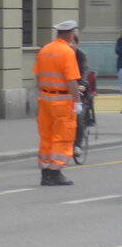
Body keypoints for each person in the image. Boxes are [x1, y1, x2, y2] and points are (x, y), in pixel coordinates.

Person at [33, 20, 81, 186]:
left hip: (45, 99)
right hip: (62, 101)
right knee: (62, 136)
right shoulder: (67, 52)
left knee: (46, 136)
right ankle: (55, 173)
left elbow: (38, 75)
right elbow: (71, 81)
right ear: (71, 35)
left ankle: (45, 172)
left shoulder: (45, 50)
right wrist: (77, 102)